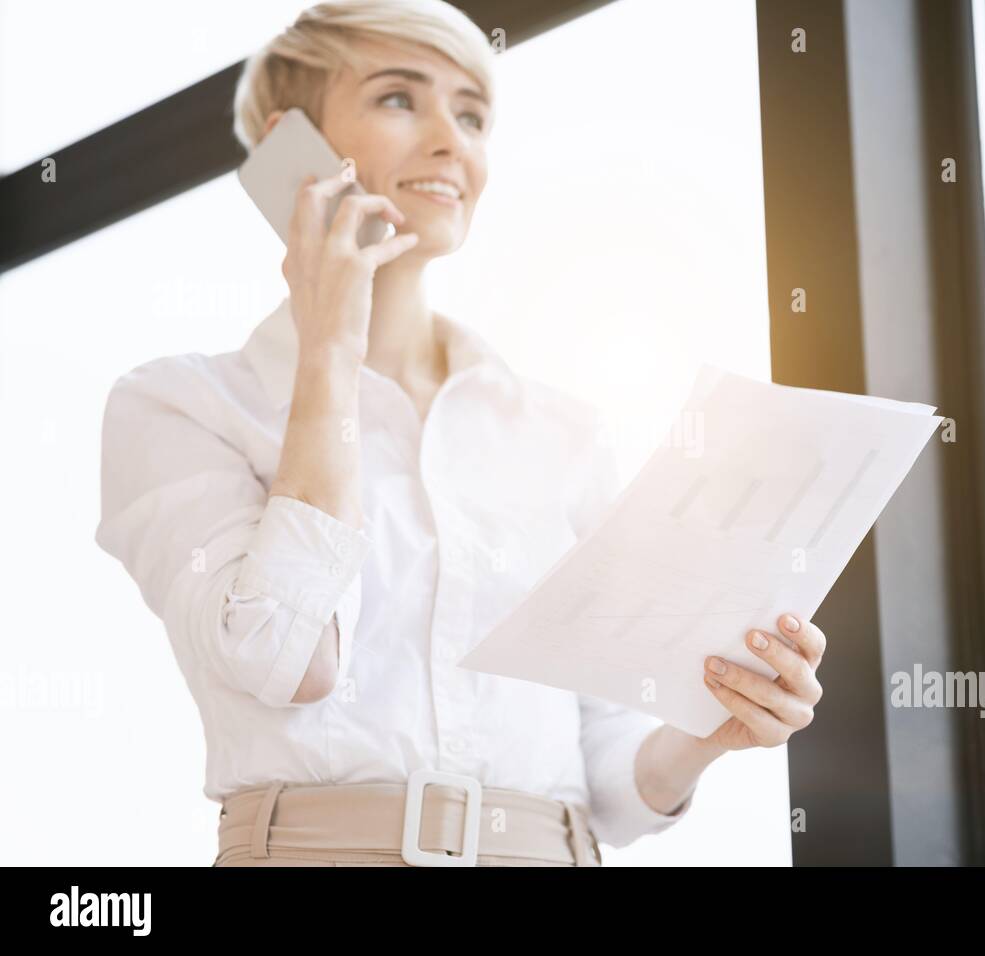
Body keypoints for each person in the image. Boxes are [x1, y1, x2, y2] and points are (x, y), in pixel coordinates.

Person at [94, 0, 826, 867]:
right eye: (401, 99)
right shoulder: (181, 405)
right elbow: (286, 660)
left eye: (472, 114)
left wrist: (713, 727)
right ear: (293, 146)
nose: (452, 141)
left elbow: (610, 784)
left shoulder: (559, 433)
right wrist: (331, 344)